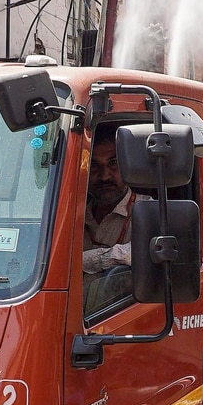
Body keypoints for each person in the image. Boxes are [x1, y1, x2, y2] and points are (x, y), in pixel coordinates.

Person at [82, 127, 143, 313]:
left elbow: (143, 253)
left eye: (113, 163)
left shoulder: (149, 210)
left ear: (128, 165)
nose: (104, 176)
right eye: (94, 165)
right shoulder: (71, 213)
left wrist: (83, 260)